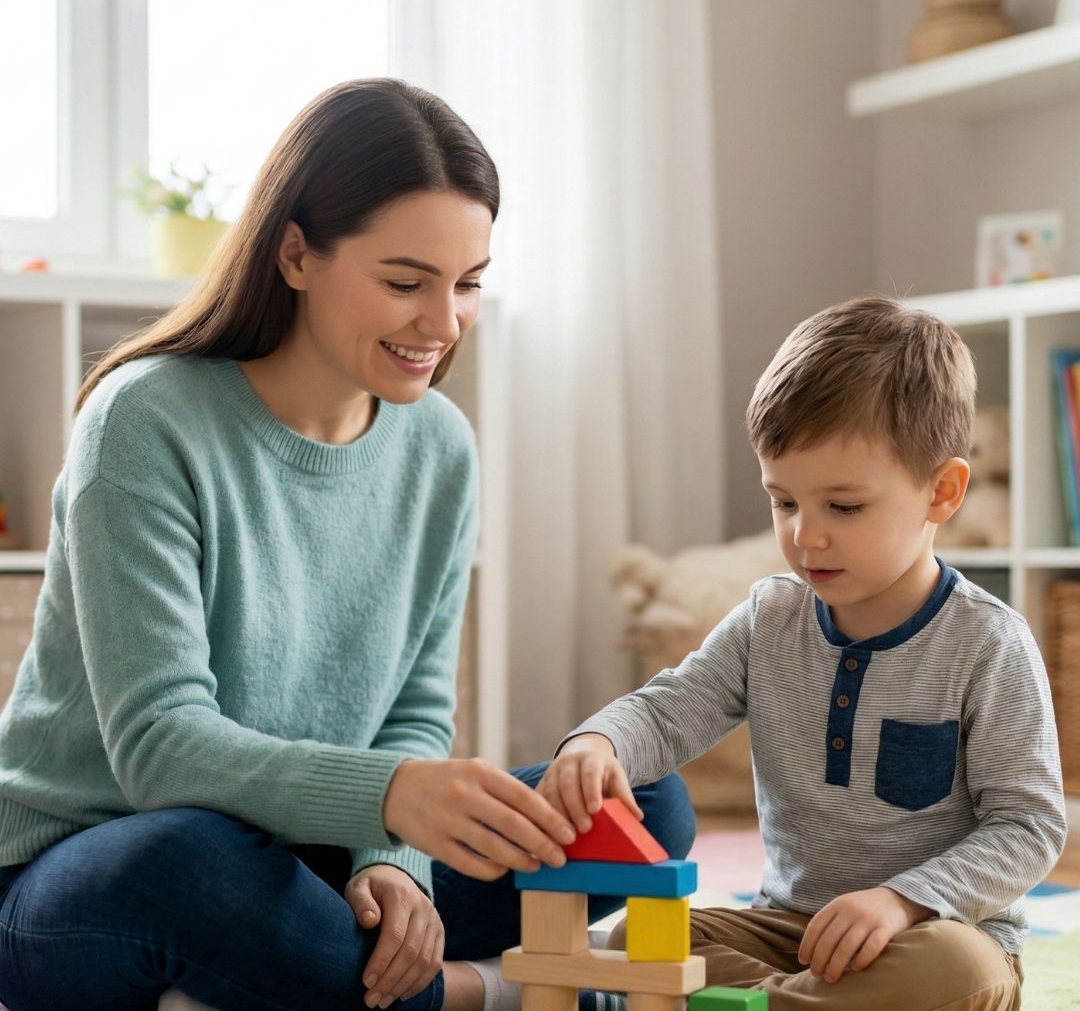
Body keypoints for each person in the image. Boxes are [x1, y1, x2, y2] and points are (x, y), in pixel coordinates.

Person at [0, 79, 694, 1011]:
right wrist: (394, 798)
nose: (443, 325)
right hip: (90, 862)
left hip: (304, 854)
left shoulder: (440, 446)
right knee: (194, 862)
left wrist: (396, 862)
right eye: (406, 283)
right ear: (295, 254)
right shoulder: (146, 420)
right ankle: (470, 995)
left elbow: (413, 706)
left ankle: (306, 965)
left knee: (640, 807)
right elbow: (160, 749)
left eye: (469, 285)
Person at [539, 297, 1067, 1011]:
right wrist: (600, 740)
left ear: (942, 492)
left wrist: (901, 901)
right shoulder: (769, 617)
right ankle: (787, 1002)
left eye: (842, 508)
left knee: (958, 976)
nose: (805, 537)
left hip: (938, 930)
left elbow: (1029, 826)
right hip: (789, 927)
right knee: (634, 936)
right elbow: (668, 713)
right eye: (784, 502)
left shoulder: (987, 642)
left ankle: (752, 1004)